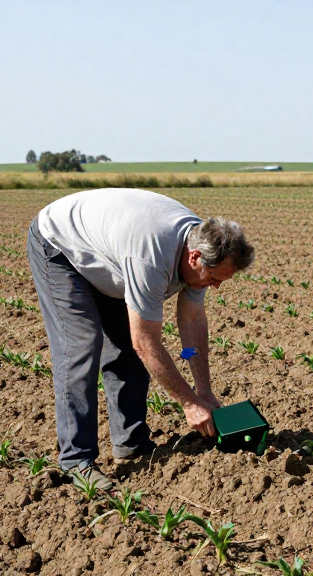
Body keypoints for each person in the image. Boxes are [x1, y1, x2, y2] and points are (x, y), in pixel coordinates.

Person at [26, 188, 255, 486]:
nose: (216, 287)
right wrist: (189, 404)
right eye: (214, 279)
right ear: (195, 257)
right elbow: (145, 342)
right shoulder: (151, 259)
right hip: (61, 247)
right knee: (81, 347)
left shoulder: (201, 247)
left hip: (110, 254)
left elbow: (192, 323)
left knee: (125, 350)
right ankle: (76, 460)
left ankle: (130, 442)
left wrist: (204, 392)